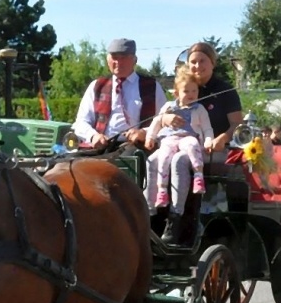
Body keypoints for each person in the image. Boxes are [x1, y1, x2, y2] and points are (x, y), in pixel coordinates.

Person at [144, 70, 214, 245]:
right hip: (169, 141)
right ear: (176, 93)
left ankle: (176, 216)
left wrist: (208, 141)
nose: (191, 95)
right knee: (152, 160)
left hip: (188, 143)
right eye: (186, 91)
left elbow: (207, 128)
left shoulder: (199, 109)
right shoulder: (168, 107)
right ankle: (151, 212)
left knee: (178, 161)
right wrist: (150, 137)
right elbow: (156, 122)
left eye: (194, 91)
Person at [72, 38, 167, 149]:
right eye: (114, 57)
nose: (118, 62)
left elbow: (164, 121)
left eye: (123, 57)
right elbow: (81, 122)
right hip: (101, 148)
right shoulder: (97, 86)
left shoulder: (152, 87)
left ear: (135, 60)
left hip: (137, 148)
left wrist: (144, 133)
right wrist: (93, 136)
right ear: (108, 60)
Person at [177, 41, 245, 153]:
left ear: (212, 63)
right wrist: (165, 119)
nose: (197, 66)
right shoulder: (184, 88)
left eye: (202, 61)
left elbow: (237, 124)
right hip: (186, 149)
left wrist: (223, 138)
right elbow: (171, 110)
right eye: (193, 62)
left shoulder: (226, 90)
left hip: (218, 153)